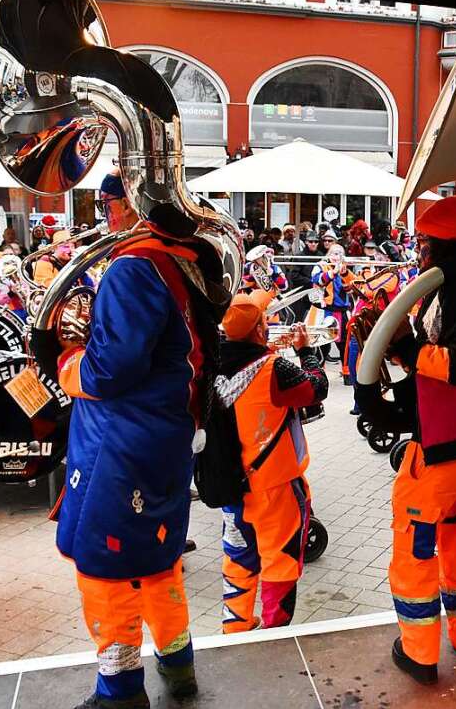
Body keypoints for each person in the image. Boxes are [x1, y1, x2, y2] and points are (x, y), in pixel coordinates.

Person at [55, 170, 217, 707]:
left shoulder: (132, 265)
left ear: (131, 203)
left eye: (108, 205)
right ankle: (178, 665)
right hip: (165, 432)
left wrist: (68, 362)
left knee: (103, 566)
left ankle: (120, 689)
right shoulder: (184, 255)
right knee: (157, 560)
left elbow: (111, 369)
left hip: (121, 441)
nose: (106, 216)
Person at [381, 195, 456, 684]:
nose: (419, 250)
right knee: (455, 536)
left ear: (443, 245)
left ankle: (421, 653)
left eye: (425, 242)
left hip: (448, 441)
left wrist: (410, 350)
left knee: (415, 541)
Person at [217, 298, 329, 633]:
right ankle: (274, 635)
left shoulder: (209, 365)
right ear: (259, 329)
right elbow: (316, 388)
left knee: (238, 559)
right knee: (279, 561)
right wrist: (307, 351)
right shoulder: (271, 368)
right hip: (274, 486)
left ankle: (234, 629)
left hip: (230, 485)